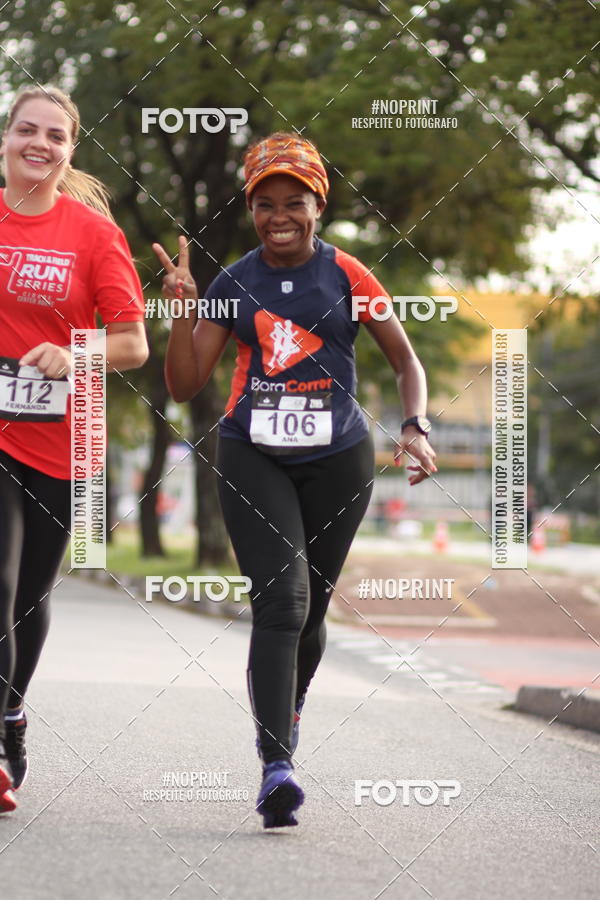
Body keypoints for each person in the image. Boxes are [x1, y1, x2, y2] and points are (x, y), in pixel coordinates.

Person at [156, 132, 436, 828]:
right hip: (253, 453)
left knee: (312, 614)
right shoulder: (233, 282)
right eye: (265, 204)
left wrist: (415, 425)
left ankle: (289, 710)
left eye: (295, 202)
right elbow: (187, 381)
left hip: (340, 458)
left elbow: (405, 361)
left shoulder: (348, 276)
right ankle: (276, 764)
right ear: (251, 208)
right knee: (282, 602)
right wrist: (182, 308)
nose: (279, 215)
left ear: (319, 205)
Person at [0, 85, 148, 812]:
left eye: (54, 136)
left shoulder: (91, 235)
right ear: (5, 138)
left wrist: (73, 350)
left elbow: (133, 343)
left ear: (68, 150)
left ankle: (11, 712)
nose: (39, 143)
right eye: (27, 130)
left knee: (29, 598)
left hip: (61, 439)